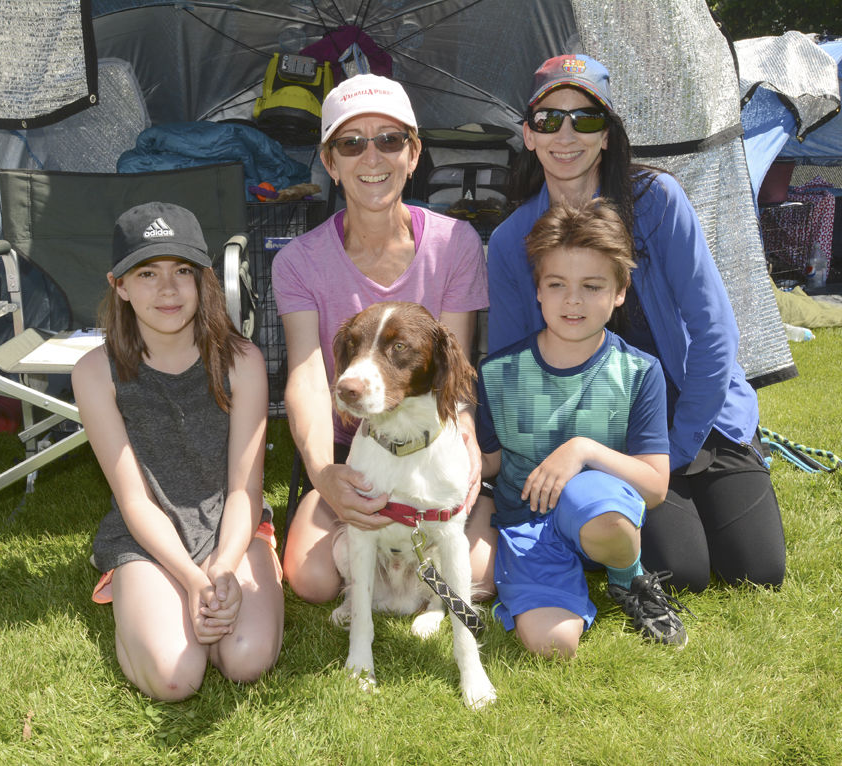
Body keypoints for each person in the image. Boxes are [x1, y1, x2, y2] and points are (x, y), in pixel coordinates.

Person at [479, 53, 785, 593]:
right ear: (528, 134)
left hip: (700, 414)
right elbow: (513, 367)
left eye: (586, 118)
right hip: (610, 433)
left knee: (757, 571)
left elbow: (715, 332)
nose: (566, 134)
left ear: (607, 135)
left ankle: (733, 466)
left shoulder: (656, 201)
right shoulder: (510, 242)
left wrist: (681, 444)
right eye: (549, 119)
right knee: (683, 574)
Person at [272, 73, 491, 604]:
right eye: (352, 143)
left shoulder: (456, 243)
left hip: (429, 443)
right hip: (356, 449)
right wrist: (325, 475)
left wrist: (466, 438)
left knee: (481, 573)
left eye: (389, 140)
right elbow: (305, 374)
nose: (372, 158)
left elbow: (452, 369)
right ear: (330, 162)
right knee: (312, 579)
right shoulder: (297, 262)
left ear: (413, 155)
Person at [73, 201, 283, 701]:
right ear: (119, 285)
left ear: (203, 280)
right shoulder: (94, 372)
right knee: (175, 677)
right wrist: (192, 579)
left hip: (233, 526)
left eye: (182, 271)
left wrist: (225, 564)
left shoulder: (243, 361)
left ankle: (256, 570)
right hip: (147, 535)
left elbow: (243, 487)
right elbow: (134, 499)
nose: (167, 289)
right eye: (147, 273)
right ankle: (141, 600)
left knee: (246, 658)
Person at [478, 198, 689, 656]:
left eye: (592, 286)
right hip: (527, 524)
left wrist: (583, 449)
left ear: (620, 290)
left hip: (598, 512)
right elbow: (488, 463)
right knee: (554, 647)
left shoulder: (639, 371)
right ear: (538, 289)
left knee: (598, 507)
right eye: (557, 284)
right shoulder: (497, 372)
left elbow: (654, 486)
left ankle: (627, 577)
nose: (573, 300)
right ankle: (549, 581)